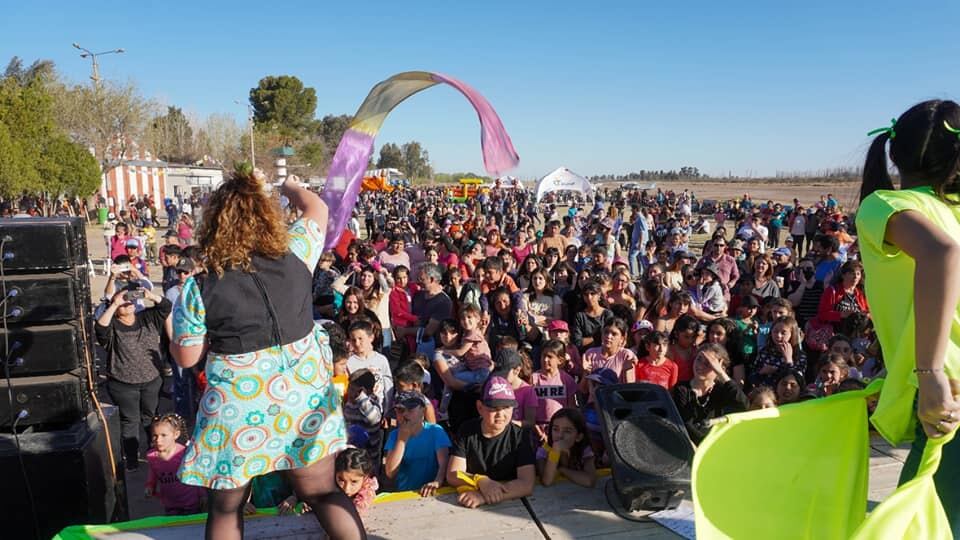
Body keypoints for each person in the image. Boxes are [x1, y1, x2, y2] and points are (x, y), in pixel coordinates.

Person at [170, 169, 365, 539]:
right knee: (322, 491)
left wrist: (175, 338)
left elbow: (186, 358)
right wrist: (285, 184)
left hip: (238, 404)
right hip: (302, 396)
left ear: (213, 225)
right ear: (266, 216)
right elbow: (317, 207)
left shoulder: (199, 285)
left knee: (226, 507)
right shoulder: (296, 252)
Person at [857, 101, 960, 533]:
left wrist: (929, 371)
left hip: (947, 388)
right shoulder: (952, 211)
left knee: (916, 524)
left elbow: (941, 253)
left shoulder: (884, 205)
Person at [96, 284, 171, 471]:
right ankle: (131, 459)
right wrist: (114, 304)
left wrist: (149, 295)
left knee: (151, 418)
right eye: (123, 303)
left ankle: (154, 452)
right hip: (123, 384)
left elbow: (166, 306)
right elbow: (100, 329)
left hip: (151, 380)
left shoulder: (147, 317)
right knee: (130, 421)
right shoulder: (112, 326)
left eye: (130, 301)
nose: (127, 304)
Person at [446, 376, 536, 509]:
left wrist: (484, 496)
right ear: (480, 407)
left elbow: (526, 483)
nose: (500, 413)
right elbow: (453, 474)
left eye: (506, 407)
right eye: (493, 408)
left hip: (513, 506)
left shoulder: (520, 436)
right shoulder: (467, 430)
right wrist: (481, 480)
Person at [672, 344, 748, 445]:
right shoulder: (682, 389)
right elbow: (686, 423)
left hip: (716, 444)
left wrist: (721, 374)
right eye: (699, 359)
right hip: (689, 445)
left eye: (708, 364)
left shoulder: (722, 389)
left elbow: (744, 405)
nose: (700, 366)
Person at [383, 391, 451, 494]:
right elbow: (390, 472)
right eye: (400, 410)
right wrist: (402, 440)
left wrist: (437, 481)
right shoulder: (394, 435)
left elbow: (444, 464)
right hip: (405, 493)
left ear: (423, 410)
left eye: (410, 409)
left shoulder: (436, 431)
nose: (405, 414)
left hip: (431, 491)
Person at [145, 413, 204, 515]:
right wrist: (150, 486)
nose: (158, 440)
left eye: (164, 435)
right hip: (170, 504)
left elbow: (196, 474)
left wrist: (203, 495)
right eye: (155, 436)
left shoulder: (184, 453)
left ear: (176, 434)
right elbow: (153, 472)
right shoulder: (152, 456)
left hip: (190, 503)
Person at [537, 408, 597, 488]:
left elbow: (589, 481)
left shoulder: (584, 451)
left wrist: (562, 470)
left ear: (578, 437)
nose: (560, 435)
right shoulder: (544, 451)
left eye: (567, 431)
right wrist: (555, 451)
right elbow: (547, 481)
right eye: (555, 429)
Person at [335, 448, 379, 516]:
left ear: (365, 478)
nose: (346, 489)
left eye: (354, 482)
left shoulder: (366, 497)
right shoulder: (328, 487)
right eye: (341, 480)